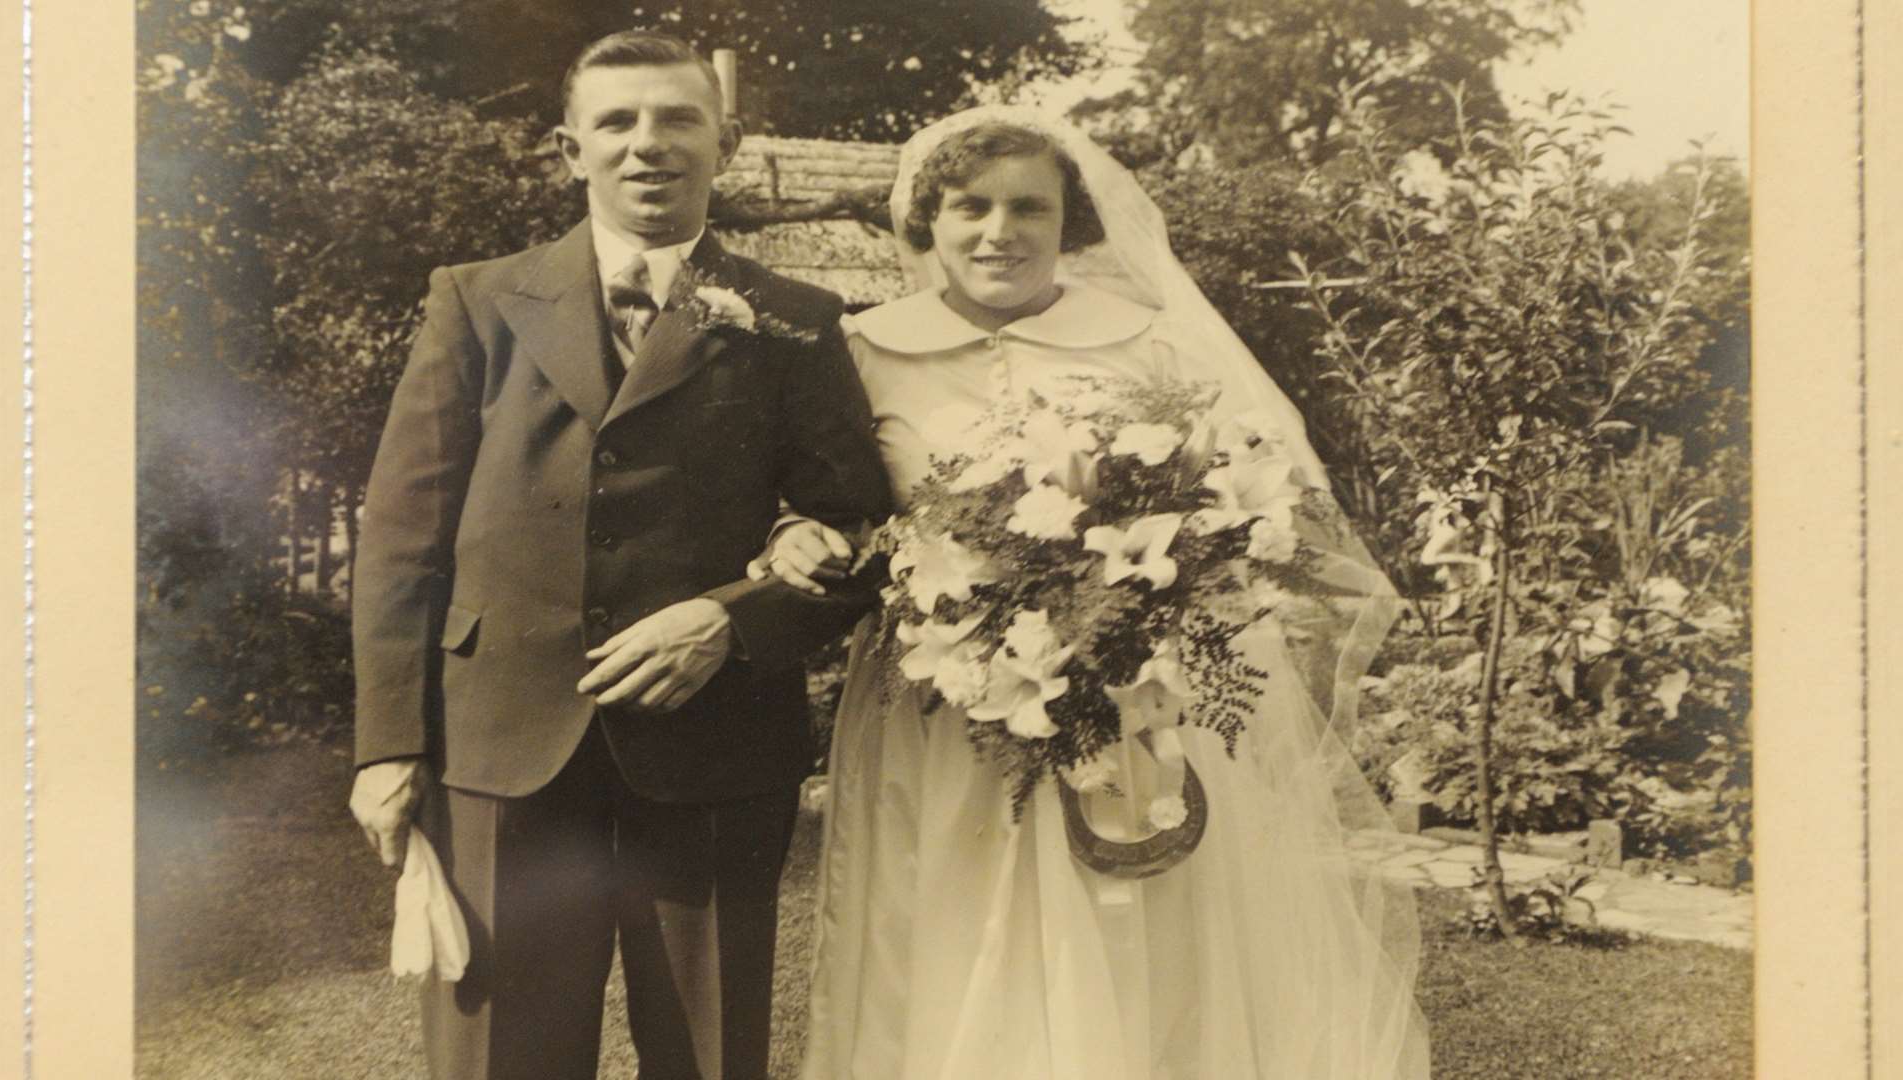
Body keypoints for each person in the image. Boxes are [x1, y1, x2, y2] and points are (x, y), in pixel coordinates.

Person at [755, 108, 1431, 1078]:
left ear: (1068, 218)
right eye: (970, 207)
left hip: (1128, 706)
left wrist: (1140, 603)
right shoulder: (864, 353)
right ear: (924, 224)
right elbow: (821, 506)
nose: (1000, 231)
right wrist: (798, 535)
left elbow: (1235, 508)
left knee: (1137, 940)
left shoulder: (1145, 348)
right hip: (941, 716)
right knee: (942, 927)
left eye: (1029, 206)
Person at [345, 31, 891, 1080]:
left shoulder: (796, 319)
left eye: (679, 119)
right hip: (500, 742)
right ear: (569, 150)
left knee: (709, 1053)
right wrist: (386, 743)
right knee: (503, 1054)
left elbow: (859, 536)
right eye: (618, 122)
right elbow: (404, 536)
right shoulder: (478, 299)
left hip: (715, 748)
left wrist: (734, 622)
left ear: (725, 143)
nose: (650, 144)